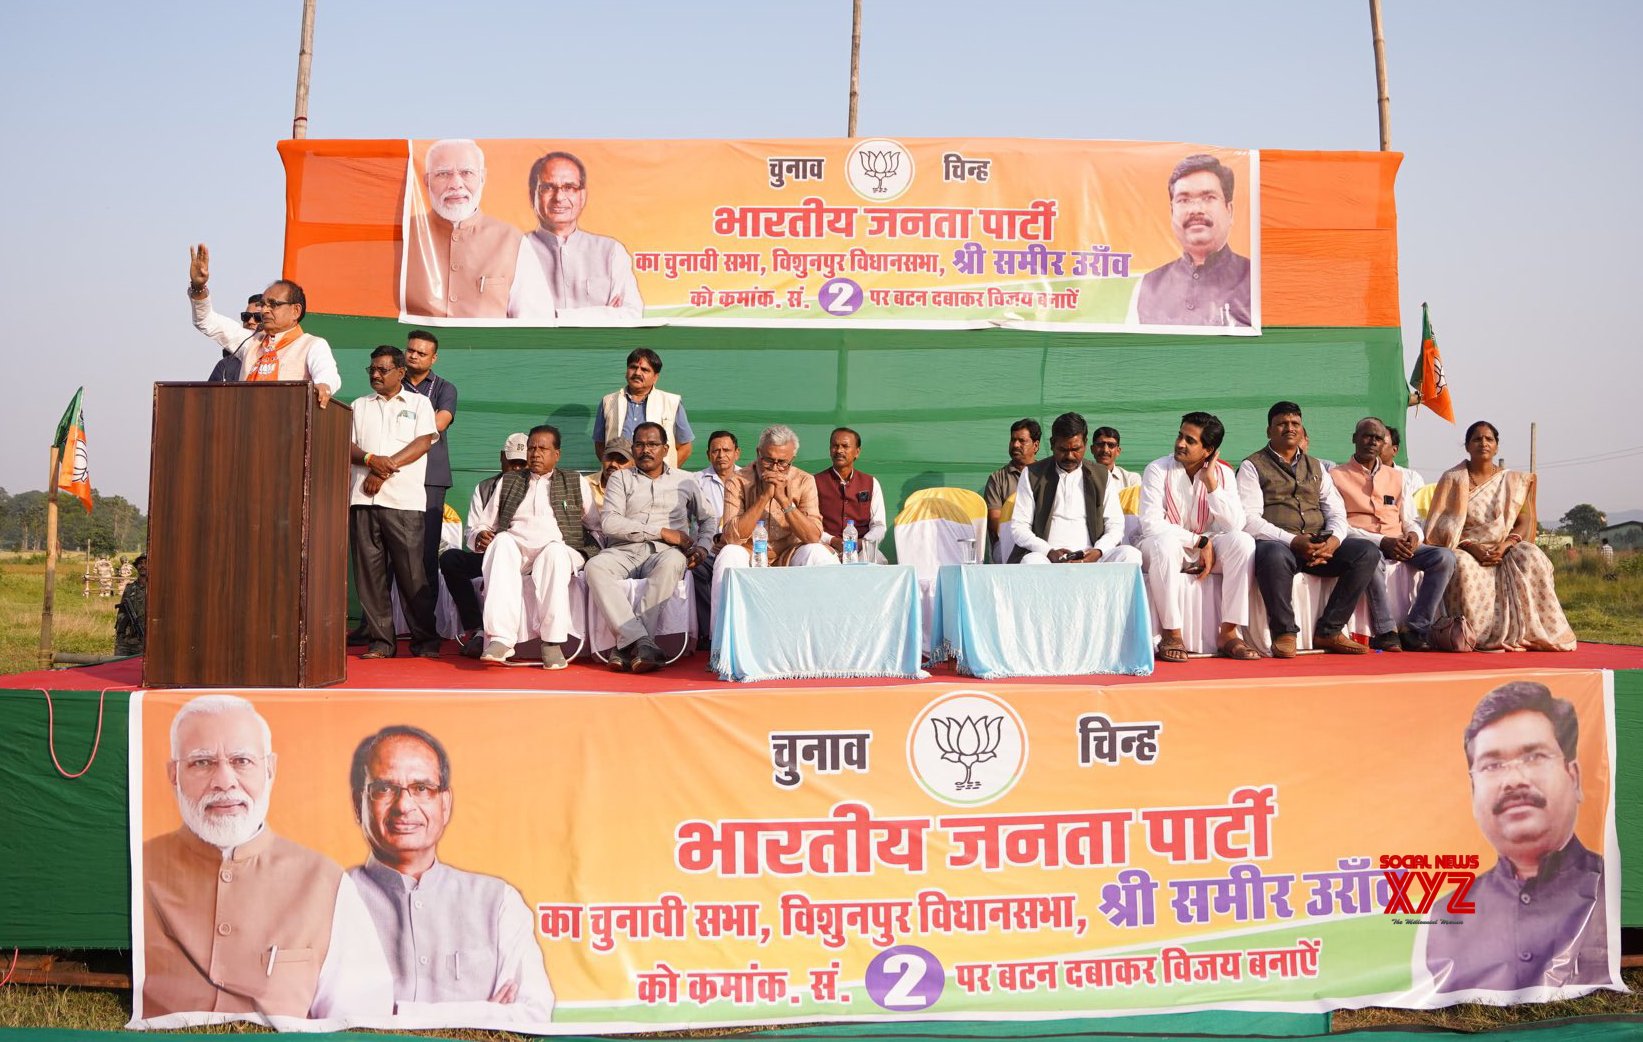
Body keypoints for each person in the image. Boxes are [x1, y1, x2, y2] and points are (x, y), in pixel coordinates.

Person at [141, 695, 391, 1022]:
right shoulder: (142, 866)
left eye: (242, 761)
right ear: (174, 775)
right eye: (201, 762)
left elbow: (362, 1013)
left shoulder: (323, 882)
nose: (224, 781)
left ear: (270, 769)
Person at [346, 726, 554, 1026]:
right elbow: (322, 1012)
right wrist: (486, 1012)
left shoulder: (498, 903)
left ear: (445, 804)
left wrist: (397, 1014)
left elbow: (532, 1014)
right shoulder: (330, 902)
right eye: (385, 789)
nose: (404, 806)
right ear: (358, 804)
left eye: (421, 788)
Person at [1424, 682, 1611, 992]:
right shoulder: (1447, 916)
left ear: (1573, 777)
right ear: (1473, 793)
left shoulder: (1610, 888)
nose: (1513, 780)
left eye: (1534, 757)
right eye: (1492, 765)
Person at [1236, 401, 1378, 657]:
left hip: (1319, 545)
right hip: (1281, 545)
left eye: (1295, 424)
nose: (1289, 428)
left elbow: (1336, 512)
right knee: (1271, 555)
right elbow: (1249, 520)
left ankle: (1330, 630)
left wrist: (1333, 541)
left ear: (1302, 430)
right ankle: (1285, 633)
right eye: (1282, 424)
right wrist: (1292, 541)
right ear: (1269, 431)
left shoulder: (1317, 467)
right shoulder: (1252, 466)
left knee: (1366, 552)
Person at [1424, 421, 1577, 651]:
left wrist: (1505, 545)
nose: (1483, 443)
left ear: (1496, 447)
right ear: (1467, 446)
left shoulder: (1513, 481)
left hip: (1505, 545)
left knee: (1532, 555)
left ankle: (1533, 632)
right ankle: (1476, 635)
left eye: (1489, 439)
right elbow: (1442, 526)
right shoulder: (1453, 478)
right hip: (1464, 545)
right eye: (1477, 439)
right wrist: (1473, 547)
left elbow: (1524, 520)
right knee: (1462, 565)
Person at [586, 421, 718, 673]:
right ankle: (642, 643)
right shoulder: (620, 479)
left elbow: (708, 518)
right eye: (639, 444)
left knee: (673, 563)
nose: (645, 450)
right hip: (623, 550)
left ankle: (626, 646)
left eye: (652, 444)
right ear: (633, 449)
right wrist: (661, 532)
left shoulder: (686, 480)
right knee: (594, 567)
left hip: (664, 554)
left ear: (666, 448)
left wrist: (702, 547)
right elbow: (611, 523)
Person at [474, 425, 599, 669]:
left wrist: (591, 552)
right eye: (532, 448)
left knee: (553, 553)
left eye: (543, 449)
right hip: (518, 549)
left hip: (560, 547)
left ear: (557, 455)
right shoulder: (509, 481)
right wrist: (480, 534)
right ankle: (501, 639)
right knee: (501, 542)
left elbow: (596, 525)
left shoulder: (574, 480)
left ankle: (552, 643)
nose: (535, 454)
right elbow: (484, 523)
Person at [1139, 412, 1259, 661]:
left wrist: (1212, 485)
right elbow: (1151, 524)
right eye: (1180, 435)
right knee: (1165, 544)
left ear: (1208, 449)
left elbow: (1236, 524)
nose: (1180, 443)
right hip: (1164, 546)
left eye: (1190, 440)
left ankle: (1229, 633)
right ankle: (1172, 633)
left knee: (1243, 542)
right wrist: (1199, 541)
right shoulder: (1157, 469)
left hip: (1208, 549)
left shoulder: (1223, 474)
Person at [1329, 417, 1456, 651]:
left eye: (1378, 438)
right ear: (1354, 439)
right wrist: (1381, 541)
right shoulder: (1335, 476)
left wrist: (1413, 536)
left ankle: (1416, 628)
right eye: (1367, 436)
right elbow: (1338, 524)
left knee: (1444, 558)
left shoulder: (1398, 477)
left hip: (1399, 541)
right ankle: (1386, 630)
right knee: (1371, 557)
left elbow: (1409, 518)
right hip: (1361, 542)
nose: (1372, 442)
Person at [349, 346, 440, 660]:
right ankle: (381, 642)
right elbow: (346, 445)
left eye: (382, 369)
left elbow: (422, 443)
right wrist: (372, 460)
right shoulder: (358, 405)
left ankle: (425, 640)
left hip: (404, 501)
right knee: (369, 577)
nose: (375, 375)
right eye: (371, 369)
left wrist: (383, 471)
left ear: (401, 372)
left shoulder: (420, 403)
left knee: (413, 575)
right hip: (362, 500)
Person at [712, 424, 836, 627]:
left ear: (791, 460)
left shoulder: (804, 480)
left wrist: (783, 500)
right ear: (758, 453)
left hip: (789, 553)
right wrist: (764, 497)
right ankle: (721, 643)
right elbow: (731, 537)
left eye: (782, 463)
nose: (774, 468)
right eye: (768, 460)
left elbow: (813, 535)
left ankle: (825, 634)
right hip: (750, 552)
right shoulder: (738, 480)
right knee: (729, 554)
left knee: (818, 553)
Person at [187, 244, 339, 407]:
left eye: (273, 304)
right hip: (243, 424)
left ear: (295, 310)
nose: (264, 310)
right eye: (263, 304)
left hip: (288, 425)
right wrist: (198, 288)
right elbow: (206, 321)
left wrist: (323, 385)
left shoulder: (311, 345)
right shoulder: (251, 341)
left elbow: (328, 376)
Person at [508, 150, 643, 322]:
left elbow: (631, 316)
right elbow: (508, 318)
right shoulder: (513, 251)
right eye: (548, 187)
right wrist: (604, 314)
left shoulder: (611, 252)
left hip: (597, 349)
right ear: (532, 195)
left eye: (569, 188)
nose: (559, 197)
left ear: (582, 196)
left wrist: (556, 316)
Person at [404, 139, 522, 318]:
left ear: (482, 178)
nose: (455, 184)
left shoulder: (514, 240)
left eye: (466, 172)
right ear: (426, 181)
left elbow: (533, 320)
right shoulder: (403, 235)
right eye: (443, 174)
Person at [1007, 412, 1142, 567]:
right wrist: (1049, 551)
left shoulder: (1101, 475)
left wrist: (1098, 551)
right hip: (1048, 558)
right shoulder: (1032, 474)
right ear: (1052, 444)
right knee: (1031, 561)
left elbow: (1115, 525)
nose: (1070, 456)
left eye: (1076, 449)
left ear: (1085, 444)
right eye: (1063, 449)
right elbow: (1019, 527)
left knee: (1131, 555)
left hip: (1093, 557)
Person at [1134, 154, 1251, 326]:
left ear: (1229, 210)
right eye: (1184, 200)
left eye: (1208, 197)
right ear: (1172, 212)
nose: (1196, 209)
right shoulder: (1147, 286)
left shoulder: (1255, 280)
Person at [440, 434, 530, 658]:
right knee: (451, 560)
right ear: (502, 458)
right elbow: (472, 529)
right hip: (488, 556)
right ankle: (477, 627)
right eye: (513, 463)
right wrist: (480, 537)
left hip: (528, 558)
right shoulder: (485, 488)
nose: (517, 469)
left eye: (523, 464)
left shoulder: (537, 486)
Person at [403, 331, 458, 587]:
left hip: (429, 478)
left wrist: (400, 423)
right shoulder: (393, 383)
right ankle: (378, 624)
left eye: (421, 353)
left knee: (426, 552)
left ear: (433, 358)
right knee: (387, 553)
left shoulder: (445, 388)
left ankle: (426, 625)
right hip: (394, 473)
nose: (414, 356)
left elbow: (439, 423)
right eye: (410, 350)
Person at [592, 348, 693, 468]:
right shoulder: (608, 401)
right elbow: (600, 445)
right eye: (633, 367)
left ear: (655, 377)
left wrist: (663, 475)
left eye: (644, 369)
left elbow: (685, 447)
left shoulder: (672, 402)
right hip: (619, 478)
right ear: (626, 371)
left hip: (657, 481)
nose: (637, 373)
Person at [688, 430, 744, 645]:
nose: (721, 455)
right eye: (716, 451)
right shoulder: (695, 481)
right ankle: (708, 633)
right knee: (693, 569)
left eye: (726, 450)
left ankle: (738, 632)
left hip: (740, 549)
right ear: (708, 454)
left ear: (737, 453)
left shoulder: (748, 479)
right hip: (707, 551)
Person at [815, 427, 887, 561]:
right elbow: (810, 524)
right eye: (835, 446)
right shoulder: (814, 482)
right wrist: (831, 540)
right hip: (826, 548)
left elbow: (879, 525)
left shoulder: (870, 482)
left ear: (857, 452)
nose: (839, 450)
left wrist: (863, 542)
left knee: (878, 559)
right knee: (813, 554)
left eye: (845, 446)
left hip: (861, 549)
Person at [982, 419, 1040, 557]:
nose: (1015, 445)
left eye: (1022, 441)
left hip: (1042, 542)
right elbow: (995, 521)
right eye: (1013, 440)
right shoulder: (997, 478)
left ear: (1036, 445)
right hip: (1008, 544)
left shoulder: (1047, 475)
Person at [586, 438, 635, 512]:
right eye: (609, 458)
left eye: (621, 460)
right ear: (602, 458)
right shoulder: (584, 484)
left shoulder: (639, 489)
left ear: (633, 464)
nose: (613, 464)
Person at [115, 553, 149, 657]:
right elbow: (121, 611)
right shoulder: (129, 588)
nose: (142, 565)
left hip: (144, 640)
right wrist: (120, 631)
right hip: (125, 640)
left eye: (146, 563)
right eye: (140, 563)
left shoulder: (156, 588)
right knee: (118, 667)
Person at [1383, 425, 1426, 494]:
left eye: (1382, 443)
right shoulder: (1361, 477)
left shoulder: (1412, 479)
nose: (1374, 444)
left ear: (1394, 450)